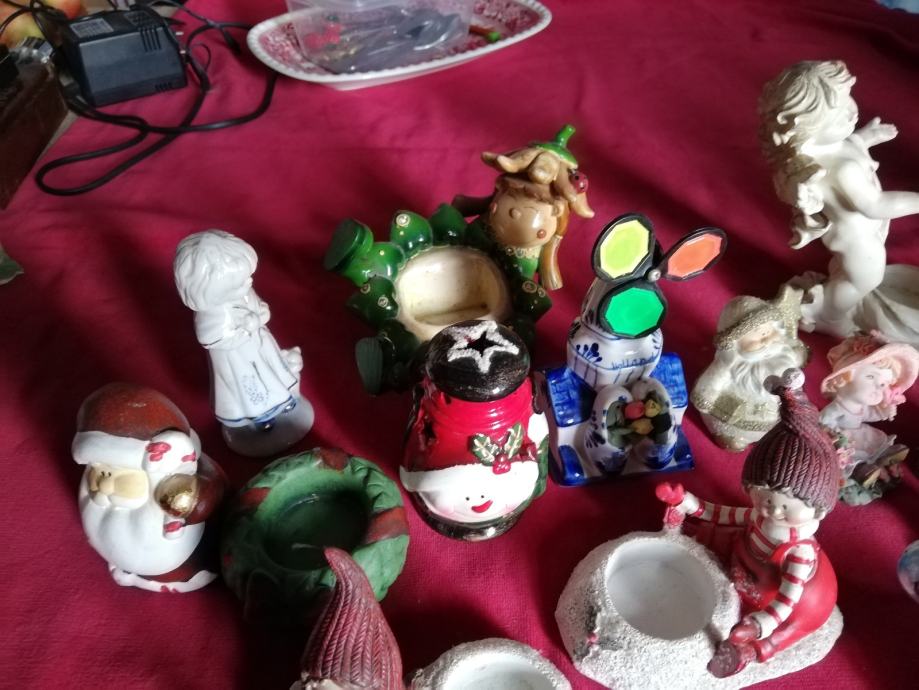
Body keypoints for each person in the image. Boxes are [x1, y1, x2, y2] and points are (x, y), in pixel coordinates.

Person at [659, 369, 840, 677]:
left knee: (790, 628)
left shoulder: (799, 552)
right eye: (765, 498)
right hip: (747, 565)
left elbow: (788, 598)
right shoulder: (759, 516)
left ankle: (750, 652)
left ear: (818, 510)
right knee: (718, 533)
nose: (774, 510)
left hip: (784, 597)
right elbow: (723, 514)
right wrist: (688, 503)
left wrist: (763, 623)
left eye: (787, 506)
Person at [759, 60, 919, 342]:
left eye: (847, 100)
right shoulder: (843, 170)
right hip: (858, 242)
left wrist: (865, 138)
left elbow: (847, 146)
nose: (851, 112)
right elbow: (875, 205)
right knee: (864, 279)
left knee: (857, 277)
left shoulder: (832, 148)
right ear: (806, 131)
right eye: (836, 118)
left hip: (860, 234)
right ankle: (828, 314)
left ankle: (835, 301)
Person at [73, 383, 226, 593]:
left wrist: (193, 504)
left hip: (184, 560)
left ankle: (177, 577)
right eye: (99, 475)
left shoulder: (184, 477)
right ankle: (132, 568)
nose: (106, 487)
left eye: (123, 480)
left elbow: (209, 497)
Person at [692, 286, 808, 451]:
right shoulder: (732, 365)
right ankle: (733, 437)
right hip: (737, 414)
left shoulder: (784, 354)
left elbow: (797, 354)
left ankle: (774, 434)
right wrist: (706, 399)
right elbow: (710, 387)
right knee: (734, 433)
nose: (766, 340)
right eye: (756, 336)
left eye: (769, 332)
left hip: (779, 413)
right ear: (735, 342)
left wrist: (798, 352)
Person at [819, 331, 919, 503]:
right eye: (871, 377)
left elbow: (870, 415)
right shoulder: (837, 407)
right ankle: (860, 471)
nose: (879, 387)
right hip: (841, 438)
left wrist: (886, 410)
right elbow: (821, 423)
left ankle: (884, 455)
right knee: (848, 455)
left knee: (875, 440)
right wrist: (833, 437)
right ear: (845, 376)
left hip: (859, 433)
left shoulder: (862, 407)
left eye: (884, 384)